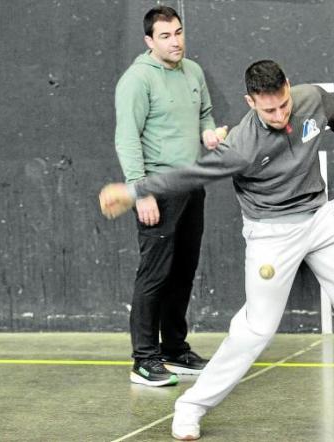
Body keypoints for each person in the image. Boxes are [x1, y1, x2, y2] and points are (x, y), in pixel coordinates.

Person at [101, 60, 334, 439]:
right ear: (250, 102)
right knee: (255, 329)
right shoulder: (241, 146)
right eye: (268, 110)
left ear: (289, 87)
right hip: (271, 233)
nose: (279, 115)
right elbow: (189, 174)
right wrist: (133, 190)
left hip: (320, 219)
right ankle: (191, 406)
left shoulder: (313, 99)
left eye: (283, 105)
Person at [113, 6, 226, 387]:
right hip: (157, 191)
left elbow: (206, 114)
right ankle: (144, 360)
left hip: (192, 187)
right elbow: (127, 138)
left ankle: (174, 350)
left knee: (183, 272)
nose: (175, 41)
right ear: (149, 41)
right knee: (155, 275)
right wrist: (139, 190)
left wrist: (208, 133)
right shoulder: (136, 80)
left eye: (178, 32)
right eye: (165, 36)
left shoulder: (193, 71)